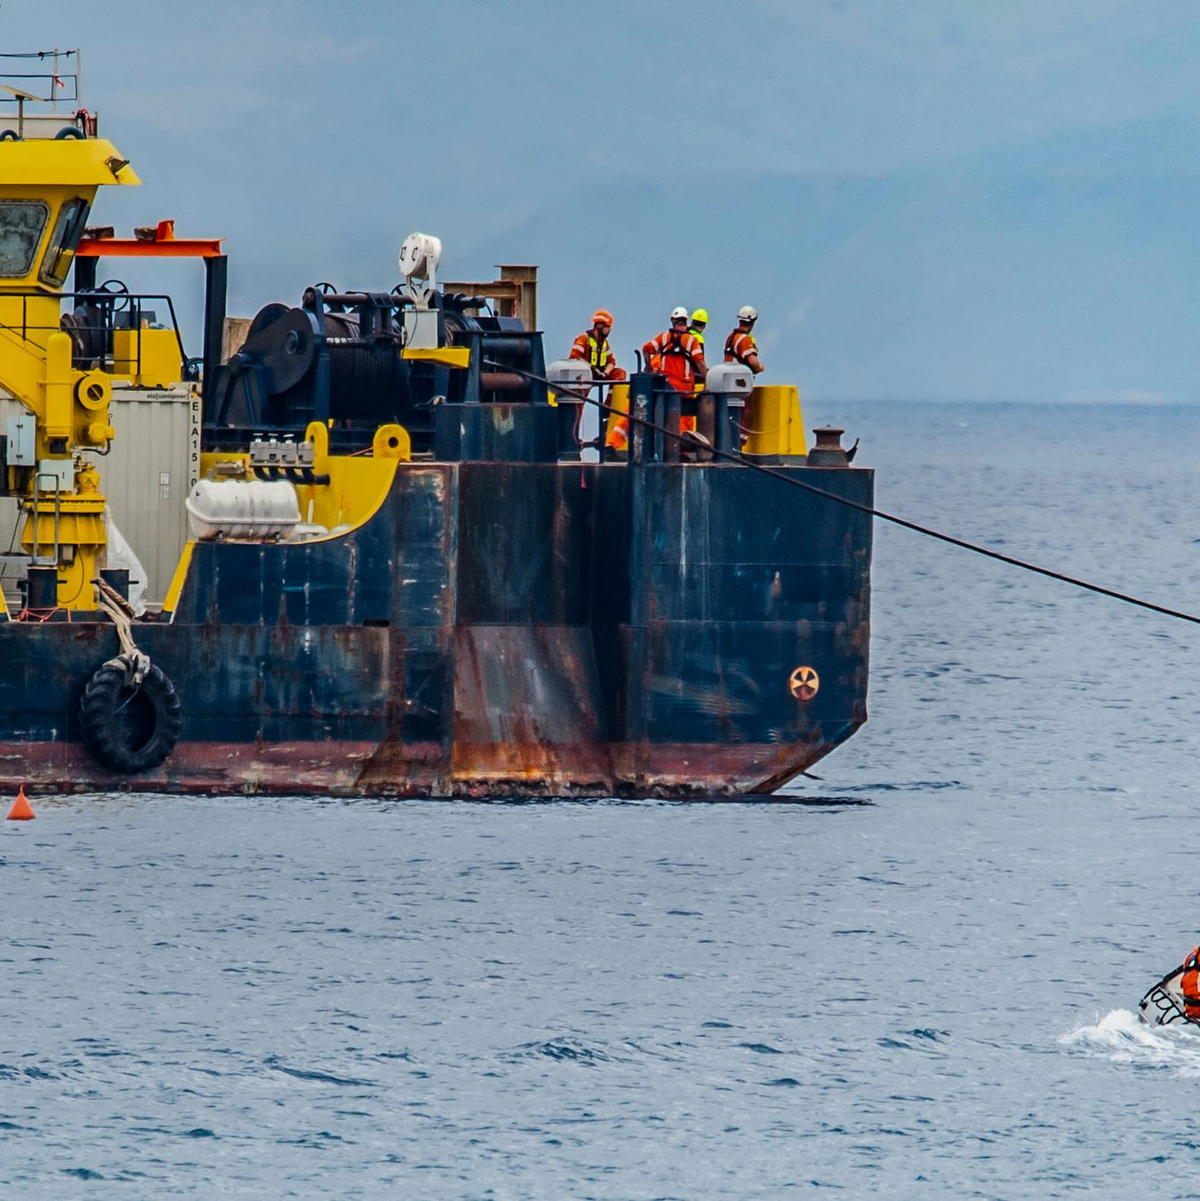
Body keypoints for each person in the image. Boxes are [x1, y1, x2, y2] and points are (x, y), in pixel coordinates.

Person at [569, 309, 629, 453]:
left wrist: (605, 373)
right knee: (577, 406)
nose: (610, 331)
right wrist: (592, 369)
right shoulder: (583, 339)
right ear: (601, 326)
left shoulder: (604, 343)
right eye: (608, 327)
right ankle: (572, 437)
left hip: (599, 373)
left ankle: (607, 405)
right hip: (584, 375)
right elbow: (575, 356)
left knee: (620, 374)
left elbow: (611, 361)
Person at [724, 304, 764, 374]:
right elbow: (753, 362)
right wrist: (760, 367)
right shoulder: (744, 339)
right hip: (739, 379)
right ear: (753, 322)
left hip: (728, 376)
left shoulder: (731, 337)